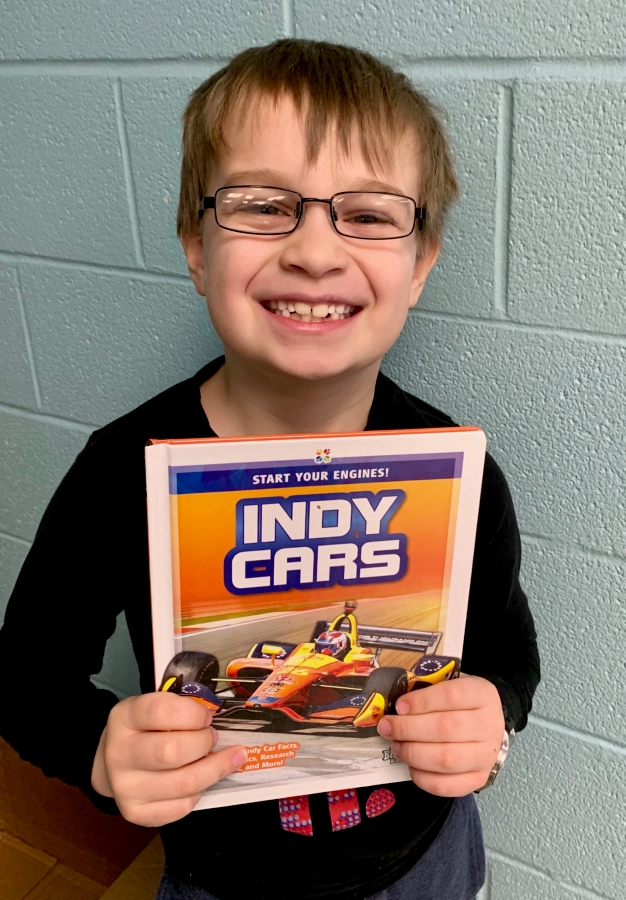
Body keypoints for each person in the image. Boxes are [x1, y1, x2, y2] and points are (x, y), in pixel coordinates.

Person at [0, 39, 540, 900]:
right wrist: (99, 749)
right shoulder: (121, 472)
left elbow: (509, 647)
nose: (315, 252)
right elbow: (22, 678)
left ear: (421, 263)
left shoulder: (460, 472)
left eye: (367, 215)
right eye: (263, 205)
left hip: (425, 864)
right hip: (220, 878)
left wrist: (495, 715)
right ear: (195, 245)